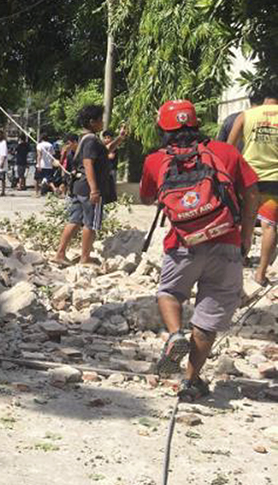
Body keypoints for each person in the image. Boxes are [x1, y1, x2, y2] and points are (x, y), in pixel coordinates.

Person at [141, 99, 259, 401]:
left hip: (183, 243)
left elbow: (146, 198)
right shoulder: (227, 152)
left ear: (162, 128)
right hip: (226, 241)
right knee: (208, 319)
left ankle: (176, 334)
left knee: (169, 292)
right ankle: (191, 382)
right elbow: (251, 192)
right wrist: (246, 238)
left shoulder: (156, 159)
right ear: (196, 123)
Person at [53, 105, 128, 266]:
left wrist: (119, 139)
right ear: (92, 122)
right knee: (90, 222)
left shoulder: (85, 139)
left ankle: (60, 254)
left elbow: (104, 150)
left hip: (79, 187)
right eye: (100, 119)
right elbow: (88, 164)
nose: (103, 122)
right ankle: (85, 257)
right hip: (88, 188)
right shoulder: (92, 140)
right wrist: (94, 190)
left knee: (74, 220)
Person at [227, 84, 278, 286]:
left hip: (248, 178)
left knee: (246, 221)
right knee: (270, 226)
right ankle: (260, 273)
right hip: (275, 179)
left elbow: (228, 148)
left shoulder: (246, 115)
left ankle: (240, 262)